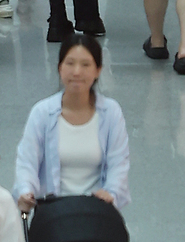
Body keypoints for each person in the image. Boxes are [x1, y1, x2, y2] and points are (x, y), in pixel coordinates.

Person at [12, 35, 129, 214]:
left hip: (97, 212)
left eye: (85, 65)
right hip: (53, 213)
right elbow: (27, 161)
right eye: (70, 63)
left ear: (98, 70)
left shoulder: (111, 112)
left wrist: (111, 193)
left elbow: (118, 164)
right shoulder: (42, 112)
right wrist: (25, 191)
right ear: (59, 68)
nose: (76, 72)